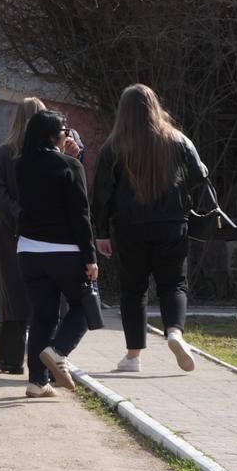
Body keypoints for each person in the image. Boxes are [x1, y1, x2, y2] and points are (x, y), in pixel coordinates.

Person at [92, 84, 212, 374]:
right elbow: (201, 175)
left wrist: (101, 232)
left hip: (129, 226)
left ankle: (133, 357)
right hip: (172, 225)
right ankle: (174, 333)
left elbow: (101, 192)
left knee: (133, 289)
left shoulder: (114, 147)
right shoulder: (177, 140)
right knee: (174, 284)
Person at [15, 109, 98, 396]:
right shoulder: (70, 167)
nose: (68, 137)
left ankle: (37, 381)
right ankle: (59, 352)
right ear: (54, 136)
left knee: (43, 316)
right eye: (65, 132)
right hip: (66, 251)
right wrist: (90, 257)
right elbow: (81, 216)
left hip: (28, 250)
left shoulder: (20, 165)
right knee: (84, 307)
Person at [0, 97, 47, 374]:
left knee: (12, 293)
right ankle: (41, 357)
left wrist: (17, 215)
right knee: (41, 293)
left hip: (10, 231)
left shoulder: (1, 154)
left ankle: (11, 358)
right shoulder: (48, 157)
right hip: (44, 232)